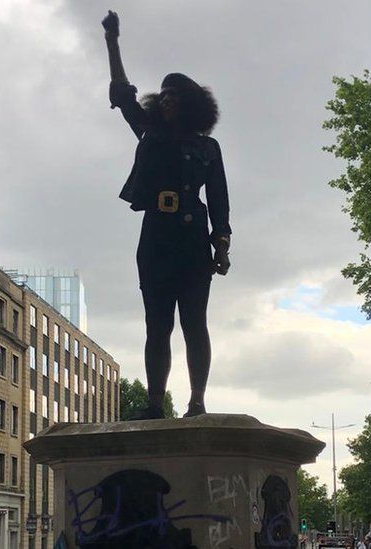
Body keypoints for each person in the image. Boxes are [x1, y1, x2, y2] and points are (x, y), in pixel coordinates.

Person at [101, 10, 232, 418]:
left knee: (195, 323)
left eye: (176, 95)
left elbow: (221, 202)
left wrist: (222, 245)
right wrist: (112, 42)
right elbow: (123, 94)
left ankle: (196, 402)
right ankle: (155, 402)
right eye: (165, 95)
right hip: (156, 235)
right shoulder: (150, 132)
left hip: (193, 240)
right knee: (157, 324)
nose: (169, 99)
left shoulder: (208, 149)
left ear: (192, 104)